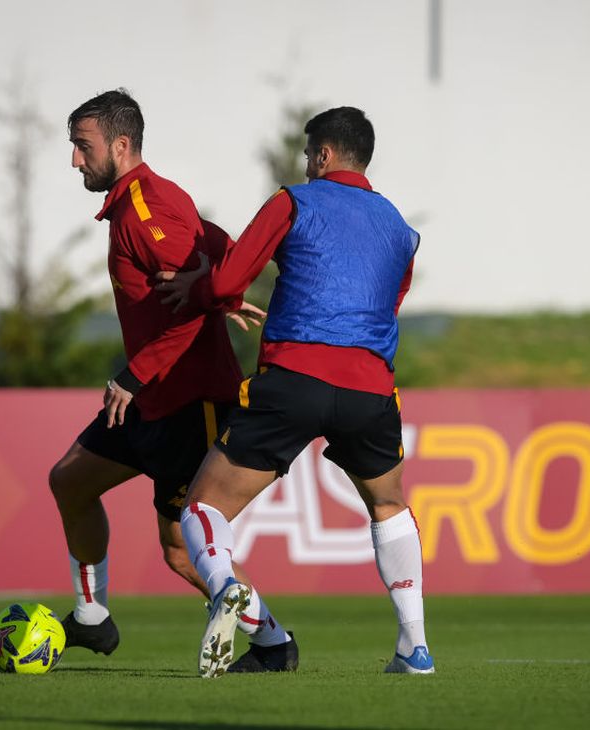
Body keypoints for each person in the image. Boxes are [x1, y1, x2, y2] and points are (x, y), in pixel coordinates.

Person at [156, 106, 432, 677]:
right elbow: (388, 305)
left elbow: (232, 279)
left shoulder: (294, 201)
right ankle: (415, 647)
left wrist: (201, 290)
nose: (306, 164)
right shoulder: (401, 229)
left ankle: (227, 587)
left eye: (310, 155)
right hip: (370, 389)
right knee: (388, 503)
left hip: (294, 379)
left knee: (203, 508)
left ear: (324, 154)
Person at [49, 89, 297, 673]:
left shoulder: (147, 208)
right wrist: (223, 287)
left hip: (188, 398)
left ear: (121, 144)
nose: (75, 161)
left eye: (82, 148)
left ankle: (273, 643)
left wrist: (137, 370)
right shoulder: (148, 200)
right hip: (150, 396)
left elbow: (190, 300)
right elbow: (208, 242)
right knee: (70, 482)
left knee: (182, 552)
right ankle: (92, 619)